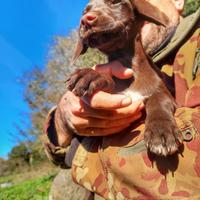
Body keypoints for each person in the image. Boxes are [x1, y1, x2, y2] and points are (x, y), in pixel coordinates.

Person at [44, 0, 200, 199]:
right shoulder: (103, 75)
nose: (87, 17)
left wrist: (83, 155)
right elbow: (61, 156)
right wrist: (62, 120)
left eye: (115, 2)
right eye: (86, 10)